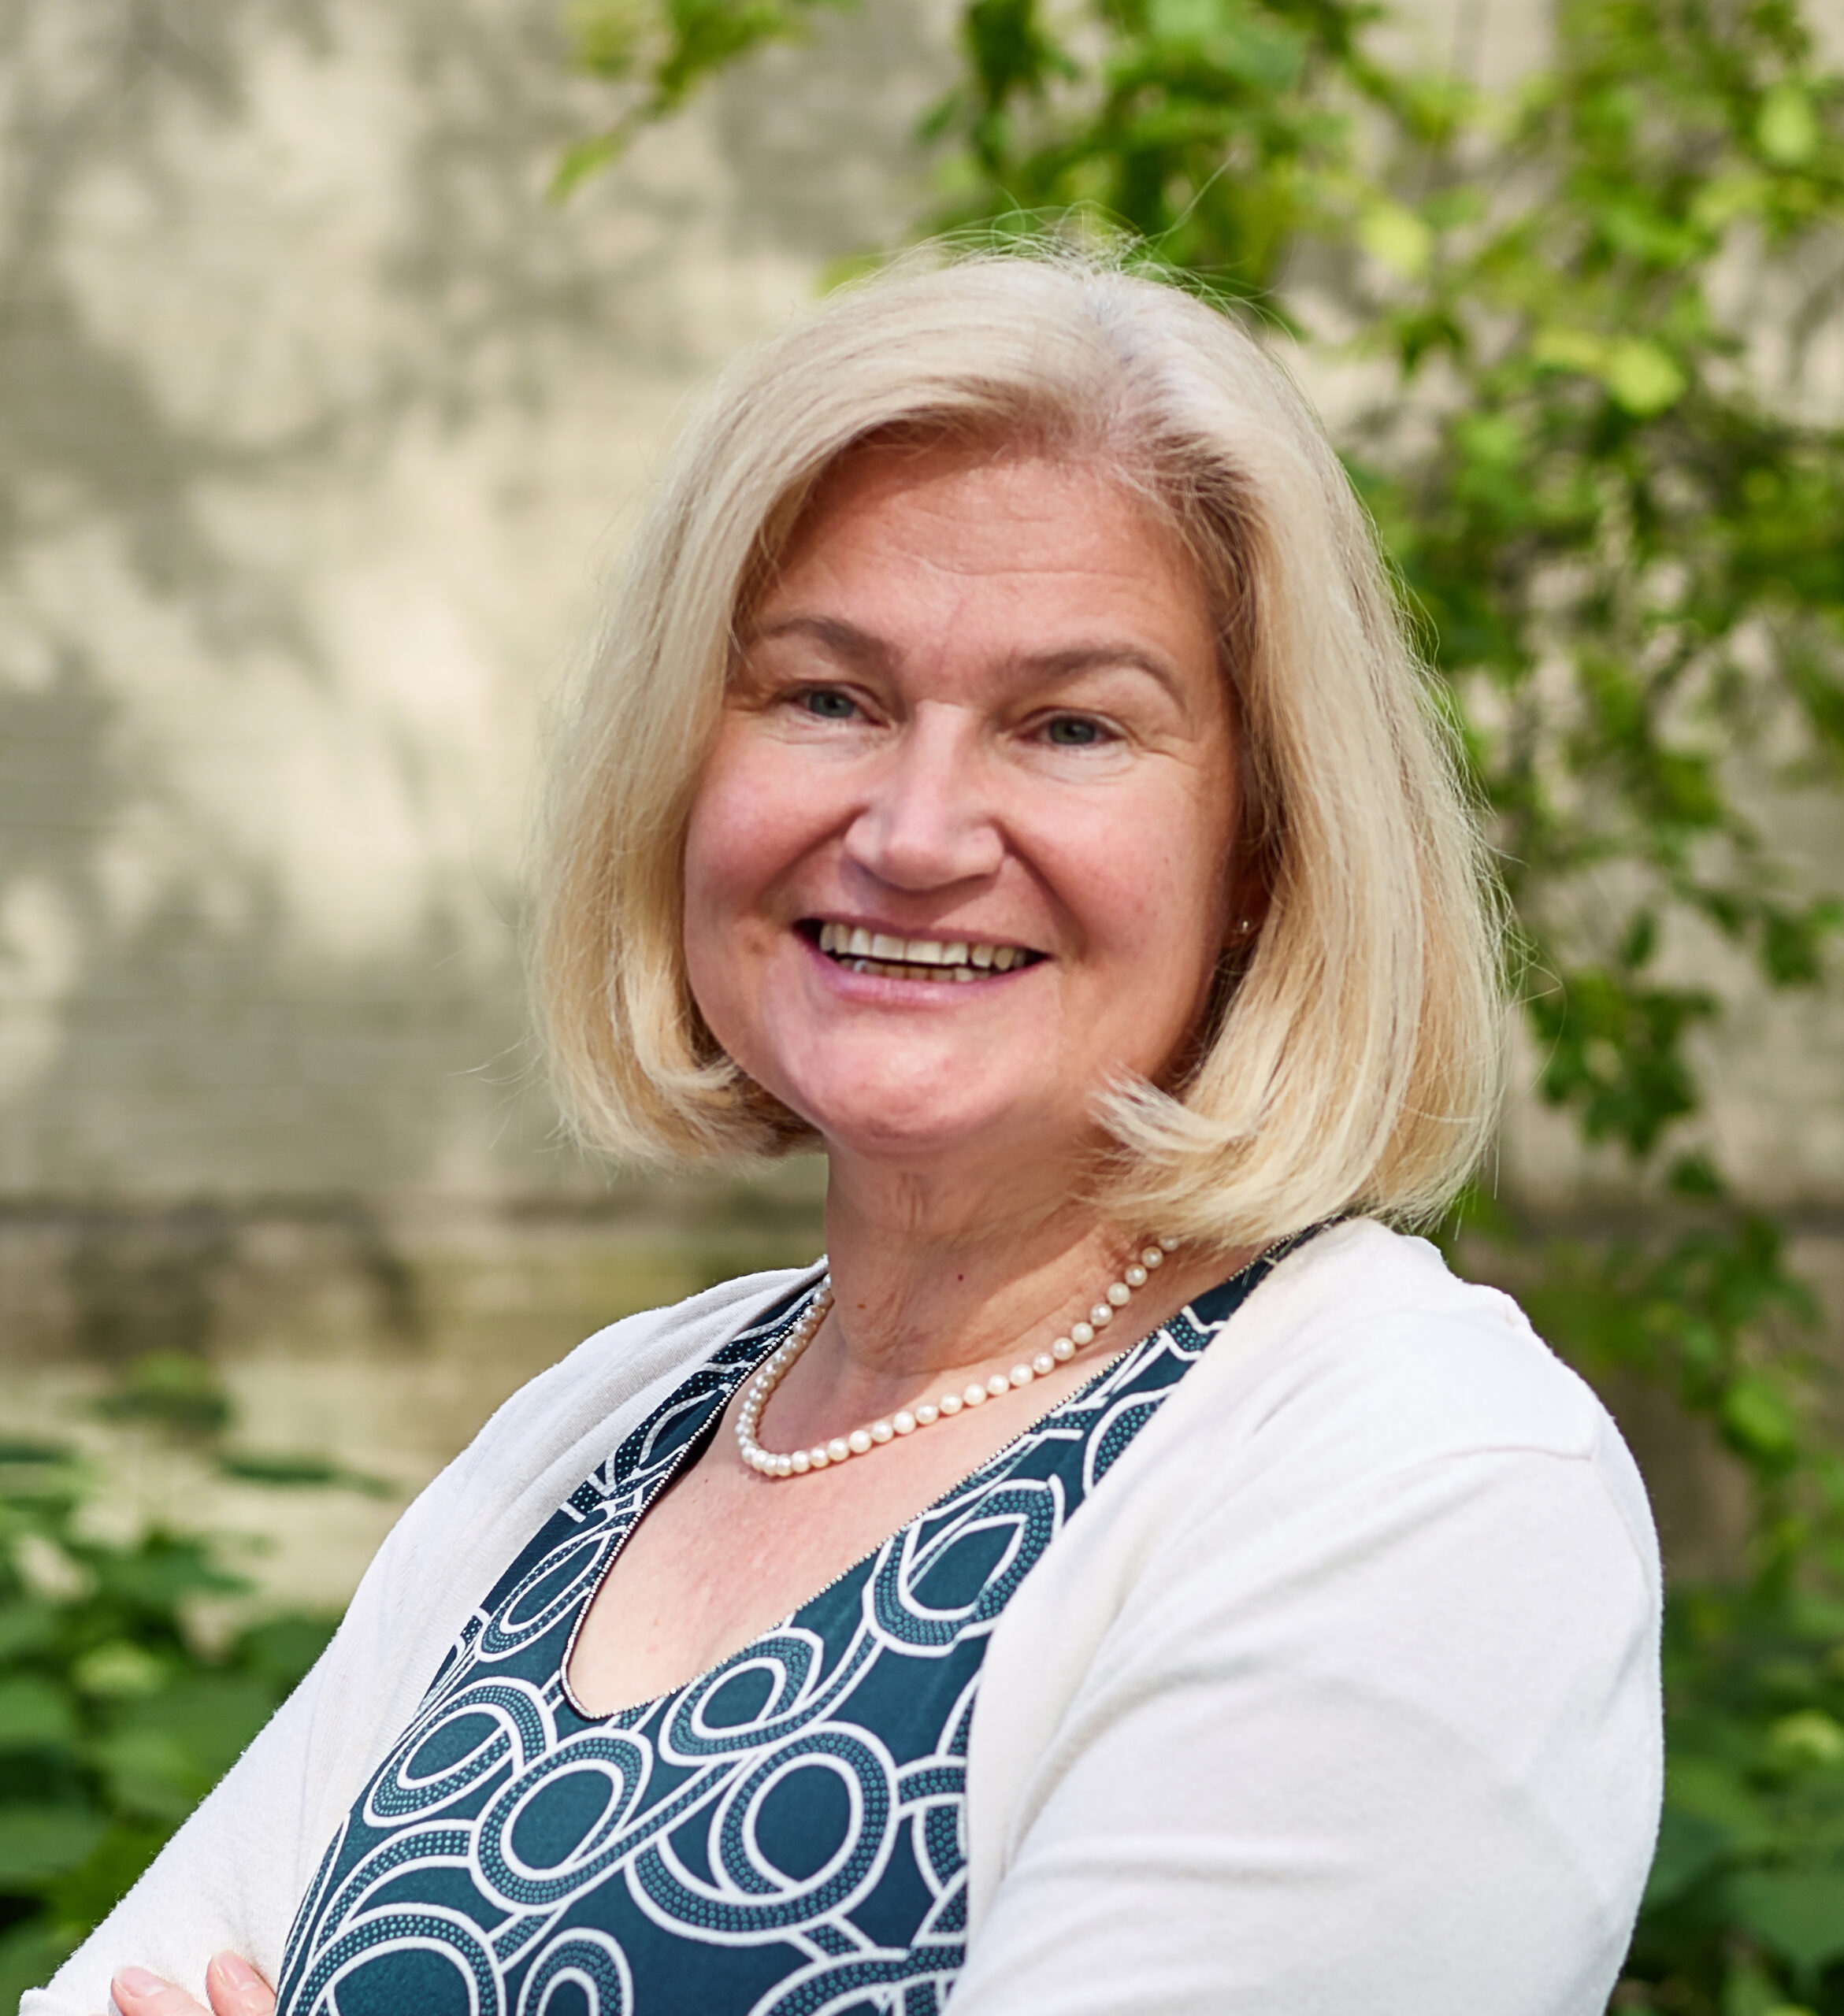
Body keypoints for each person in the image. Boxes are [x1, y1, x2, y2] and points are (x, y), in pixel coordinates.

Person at [33, 246, 1661, 2016]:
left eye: (1068, 724)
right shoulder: (593, 1435)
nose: (913, 828)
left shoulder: (1411, 1479)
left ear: (1261, 849)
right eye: (828, 696)